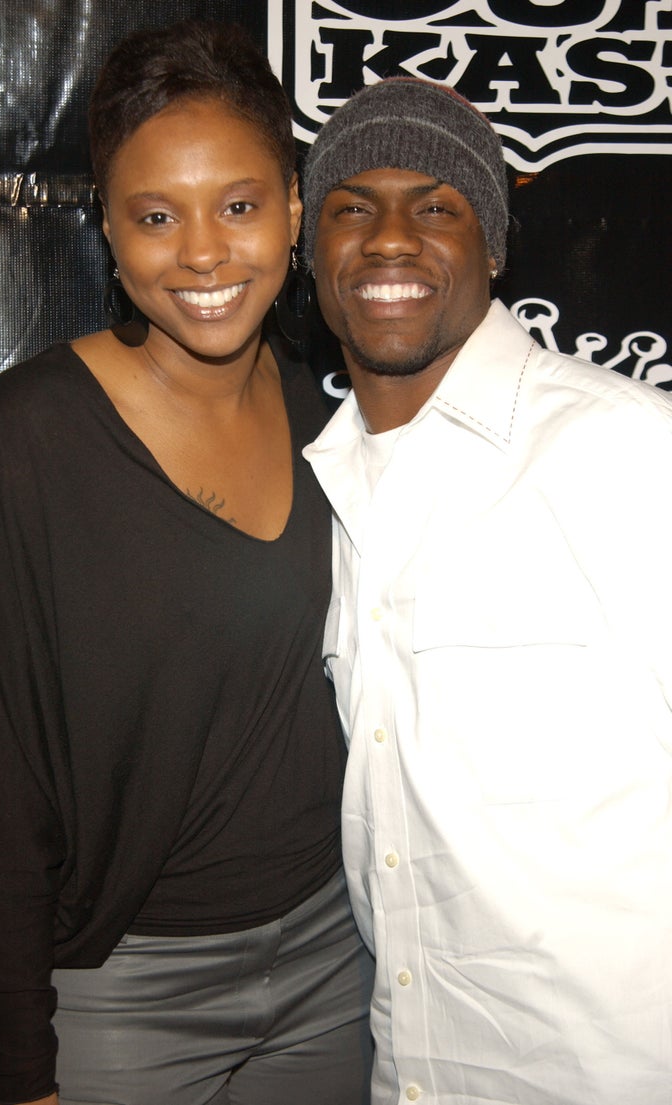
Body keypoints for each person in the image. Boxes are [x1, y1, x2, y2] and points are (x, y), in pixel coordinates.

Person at [0, 20, 374, 1105]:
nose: (201, 253)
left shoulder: (335, 419)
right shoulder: (29, 437)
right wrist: (15, 1067)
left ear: (292, 206)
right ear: (108, 227)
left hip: (338, 965)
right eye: (155, 216)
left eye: (237, 205)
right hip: (125, 987)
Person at [301, 77, 672, 1105]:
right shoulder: (329, 486)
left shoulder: (632, 450)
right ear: (310, 254)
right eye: (350, 206)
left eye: (436, 205)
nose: (387, 239)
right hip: (416, 1068)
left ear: (495, 246)